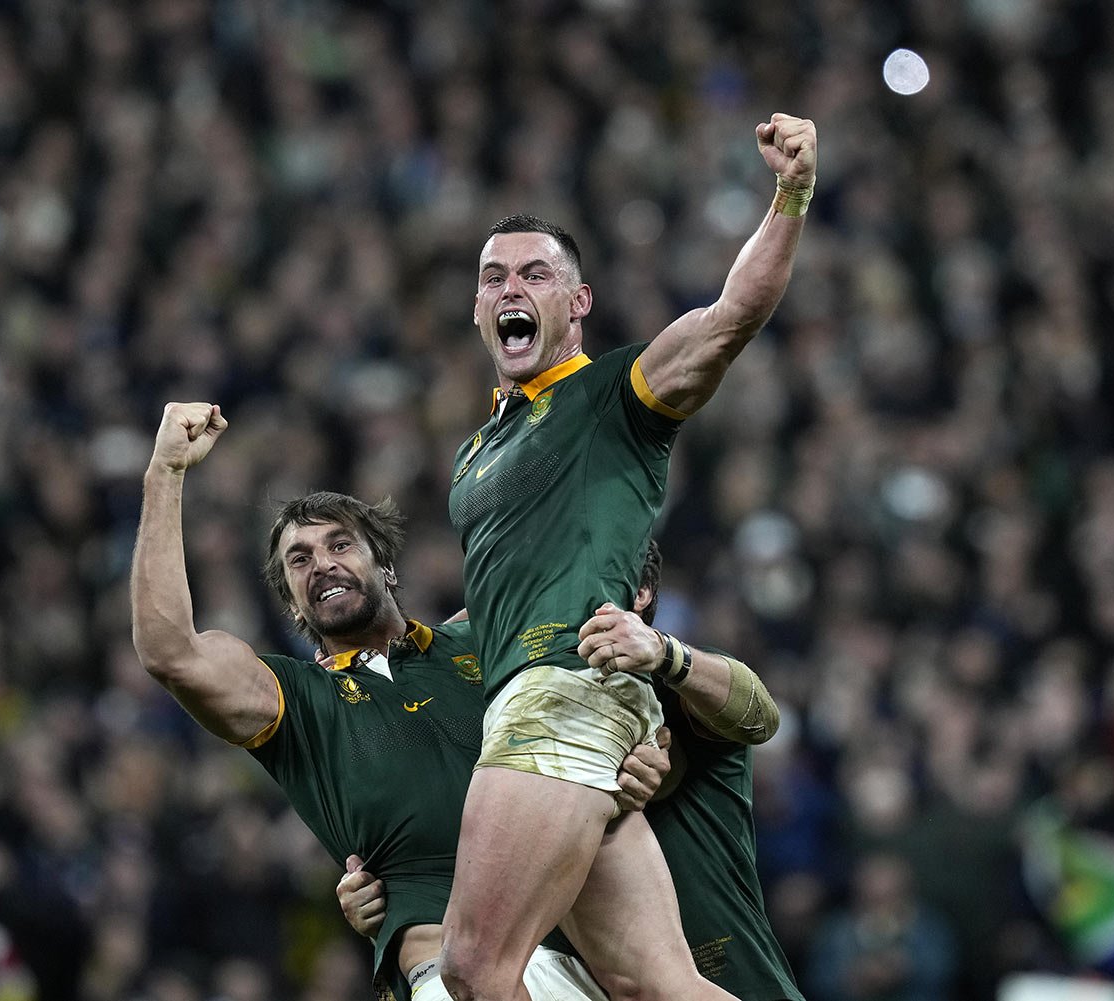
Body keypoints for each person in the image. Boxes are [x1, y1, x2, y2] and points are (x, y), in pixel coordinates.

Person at [443, 114, 817, 1001]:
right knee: (653, 984)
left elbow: (731, 318)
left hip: (562, 688)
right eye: (493, 276)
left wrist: (791, 194)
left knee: (471, 966)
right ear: (477, 310)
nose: (510, 287)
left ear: (578, 304)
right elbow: (488, 603)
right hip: (533, 696)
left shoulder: (614, 395)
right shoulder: (475, 452)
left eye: (536, 273)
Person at [128, 401, 668, 1001]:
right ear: (291, 604)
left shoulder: (487, 638)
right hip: (449, 974)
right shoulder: (293, 703)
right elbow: (170, 652)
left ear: (384, 565)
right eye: (299, 560)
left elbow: (609, 663)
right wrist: (165, 472)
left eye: (340, 544)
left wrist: (636, 755)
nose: (322, 564)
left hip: (591, 959)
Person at [342, 540, 806, 1001]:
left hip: (732, 979)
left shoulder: (670, 689)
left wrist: (667, 652)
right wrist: (388, 896)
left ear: (637, 593)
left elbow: (760, 714)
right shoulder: (519, 720)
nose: (549, 600)